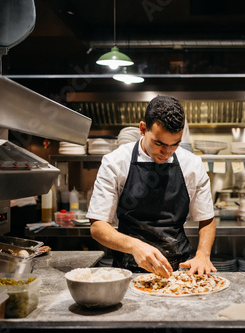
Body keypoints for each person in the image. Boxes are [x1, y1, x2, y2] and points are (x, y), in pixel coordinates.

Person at [87, 95, 216, 278]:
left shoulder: (192, 165)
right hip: (127, 270)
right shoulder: (115, 162)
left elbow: (207, 220)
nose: (167, 152)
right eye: (159, 143)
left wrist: (203, 254)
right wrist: (135, 246)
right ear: (142, 129)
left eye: (175, 144)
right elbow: (97, 227)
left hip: (178, 270)